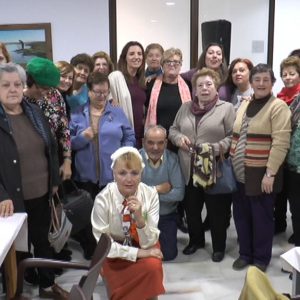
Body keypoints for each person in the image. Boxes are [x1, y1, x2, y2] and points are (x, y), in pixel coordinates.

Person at [0, 62, 69, 299]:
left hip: (41, 192)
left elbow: (50, 148)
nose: (13, 89)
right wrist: (2, 195)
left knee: (43, 242)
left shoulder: (33, 112)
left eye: (17, 84)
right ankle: (15, 291)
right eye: (6, 85)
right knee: (16, 250)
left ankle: (47, 286)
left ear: (23, 86)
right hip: (12, 200)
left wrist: (53, 181)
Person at [169, 68, 235, 262]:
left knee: (217, 212)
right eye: (200, 85)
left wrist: (215, 148)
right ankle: (196, 241)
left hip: (214, 169)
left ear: (216, 88)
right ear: (194, 90)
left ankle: (218, 247)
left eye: (209, 84)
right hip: (188, 169)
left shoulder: (226, 108)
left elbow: (233, 137)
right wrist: (179, 138)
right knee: (192, 209)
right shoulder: (185, 107)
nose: (204, 88)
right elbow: (173, 129)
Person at [230, 64, 291, 272]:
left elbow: (281, 142)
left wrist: (270, 173)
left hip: (262, 174)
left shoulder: (278, 107)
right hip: (240, 174)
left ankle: (260, 259)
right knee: (241, 216)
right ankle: (245, 254)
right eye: (257, 80)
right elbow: (237, 134)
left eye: (266, 79)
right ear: (252, 82)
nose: (261, 84)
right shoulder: (246, 104)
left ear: (273, 82)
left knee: (262, 219)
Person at [91, 147, 165, 300]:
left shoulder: (150, 195)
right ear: (114, 174)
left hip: (143, 242)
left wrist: (139, 219)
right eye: (122, 173)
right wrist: (139, 254)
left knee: (153, 266)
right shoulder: (102, 199)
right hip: (115, 251)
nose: (129, 179)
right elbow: (104, 245)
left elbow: (150, 241)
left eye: (134, 173)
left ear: (141, 173)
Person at [140, 125, 185, 261]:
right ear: (143, 142)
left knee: (169, 255)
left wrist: (146, 192)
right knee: (141, 256)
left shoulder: (173, 159)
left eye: (160, 143)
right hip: (141, 217)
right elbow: (132, 194)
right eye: (151, 142)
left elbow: (179, 194)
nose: (155, 147)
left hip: (165, 215)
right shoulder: (135, 159)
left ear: (166, 143)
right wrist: (157, 189)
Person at [24, 57, 72, 181]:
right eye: (42, 88)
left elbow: (64, 129)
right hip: (28, 166)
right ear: (29, 81)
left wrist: (67, 160)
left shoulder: (54, 95)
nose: (45, 92)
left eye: (49, 88)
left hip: (53, 159)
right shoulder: (19, 101)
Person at [274, 55, 300, 238]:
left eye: (292, 73)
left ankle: (298, 233)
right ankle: (279, 224)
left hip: (296, 157)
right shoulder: (280, 96)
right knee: (279, 194)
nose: (288, 77)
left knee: (296, 198)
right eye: (285, 74)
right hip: (279, 153)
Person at [109, 41, 146, 148]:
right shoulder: (115, 77)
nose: (136, 57)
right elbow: (107, 100)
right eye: (132, 54)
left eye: (139, 54)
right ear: (125, 57)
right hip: (124, 135)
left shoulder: (141, 80)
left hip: (140, 135)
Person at [145, 47, 191, 133]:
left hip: (182, 139)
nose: (172, 64)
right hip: (157, 139)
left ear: (181, 65)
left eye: (176, 62)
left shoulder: (188, 85)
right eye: (168, 61)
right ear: (162, 65)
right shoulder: (150, 84)